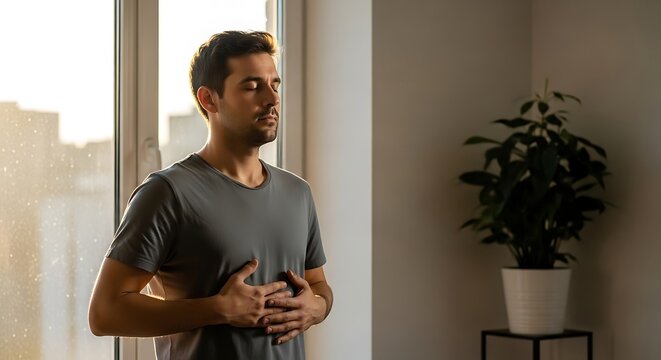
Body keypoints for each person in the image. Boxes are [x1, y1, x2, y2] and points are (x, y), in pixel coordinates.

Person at [88, 30, 333, 359]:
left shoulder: (298, 193)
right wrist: (217, 309)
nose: (272, 99)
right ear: (209, 99)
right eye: (252, 86)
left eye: (275, 84)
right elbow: (104, 313)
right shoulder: (167, 193)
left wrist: (316, 307)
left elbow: (319, 286)